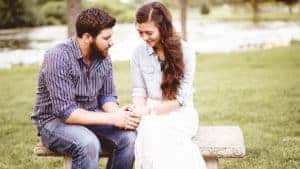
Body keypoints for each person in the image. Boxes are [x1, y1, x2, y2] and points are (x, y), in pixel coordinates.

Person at [31, 8, 141, 169]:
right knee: (88, 143)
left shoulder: (103, 57)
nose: (112, 42)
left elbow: (107, 97)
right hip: (54, 122)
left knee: (129, 138)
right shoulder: (58, 57)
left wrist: (119, 114)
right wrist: (113, 118)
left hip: (91, 115)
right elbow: (66, 113)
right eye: (106, 38)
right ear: (88, 37)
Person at [129, 2, 207, 169]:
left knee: (158, 133)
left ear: (163, 28)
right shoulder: (138, 53)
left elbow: (180, 99)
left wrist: (149, 111)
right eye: (140, 32)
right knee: (150, 129)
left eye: (149, 32)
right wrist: (139, 111)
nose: (144, 37)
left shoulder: (186, 51)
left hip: (180, 114)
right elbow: (139, 91)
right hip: (149, 112)